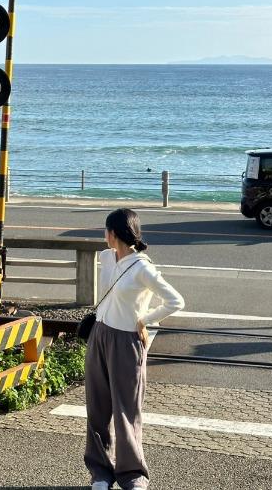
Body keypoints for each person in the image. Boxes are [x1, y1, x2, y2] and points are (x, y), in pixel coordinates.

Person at [85, 208, 185, 490]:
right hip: (99, 335)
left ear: (113, 233)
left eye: (106, 230)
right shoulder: (106, 258)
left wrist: (145, 319)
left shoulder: (143, 267)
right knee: (97, 408)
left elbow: (176, 301)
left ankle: (132, 475)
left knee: (127, 410)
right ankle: (101, 473)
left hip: (127, 341)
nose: (104, 235)